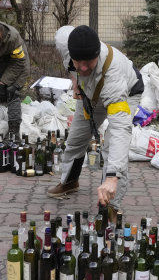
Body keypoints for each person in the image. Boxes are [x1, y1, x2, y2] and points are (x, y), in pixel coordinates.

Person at [48, 25, 143, 220]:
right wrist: (75, 81)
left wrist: (112, 176)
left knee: (111, 149)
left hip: (126, 92)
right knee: (76, 138)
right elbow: (65, 41)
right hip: (91, 95)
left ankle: (110, 205)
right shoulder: (66, 42)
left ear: (97, 55)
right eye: (77, 62)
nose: (82, 68)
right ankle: (70, 181)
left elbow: (120, 130)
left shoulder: (113, 78)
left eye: (88, 63)